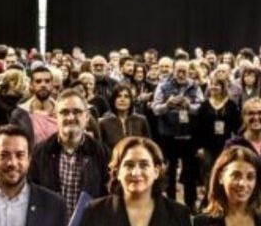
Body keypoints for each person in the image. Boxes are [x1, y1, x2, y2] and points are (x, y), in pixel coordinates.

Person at [71, 137, 192, 226]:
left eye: (144, 165)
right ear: (117, 171)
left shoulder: (179, 214)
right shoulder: (94, 211)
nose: (136, 172)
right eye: (129, 165)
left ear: (156, 171)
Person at [29, 89, 110, 226]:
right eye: (64, 112)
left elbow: (108, 197)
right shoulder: (40, 152)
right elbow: (32, 194)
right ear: (56, 116)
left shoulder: (102, 152)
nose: (71, 117)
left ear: (87, 116)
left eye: (77, 112)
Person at [151, 60, 203, 202]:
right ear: (173, 71)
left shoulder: (195, 86)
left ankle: (190, 204)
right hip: (169, 135)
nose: (181, 74)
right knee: (170, 172)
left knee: (190, 172)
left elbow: (202, 108)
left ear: (189, 72)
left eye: (184, 71)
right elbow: (155, 109)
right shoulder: (163, 86)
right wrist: (167, 105)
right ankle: (171, 202)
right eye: (178, 71)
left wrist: (189, 106)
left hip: (189, 136)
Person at [194, 76, 241, 182]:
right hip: (207, 145)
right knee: (208, 172)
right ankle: (209, 196)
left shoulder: (231, 105)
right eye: (212, 85)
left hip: (225, 144)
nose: (214, 87)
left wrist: (236, 144)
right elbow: (198, 127)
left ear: (223, 87)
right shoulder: (204, 105)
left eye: (217, 85)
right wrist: (199, 147)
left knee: (224, 170)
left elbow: (237, 126)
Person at [8, 65, 58, 147]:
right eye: (38, 81)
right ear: (31, 85)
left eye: (47, 81)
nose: (43, 85)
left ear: (52, 85)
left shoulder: (63, 112)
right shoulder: (19, 114)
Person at [98, 85, 151, 152]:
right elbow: (100, 149)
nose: (122, 100)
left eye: (126, 97)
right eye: (119, 96)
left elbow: (148, 145)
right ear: (114, 100)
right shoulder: (103, 123)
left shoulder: (141, 120)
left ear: (131, 101)